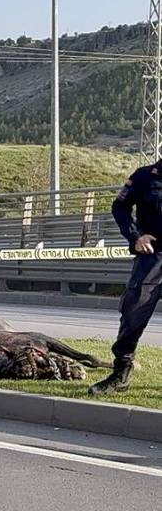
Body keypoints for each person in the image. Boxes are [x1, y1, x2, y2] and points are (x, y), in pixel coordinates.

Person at [91, 162, 162, 394]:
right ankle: (121, 373)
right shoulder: (144, 176)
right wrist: (136, 237)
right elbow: (120, 207)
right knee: (133, 313)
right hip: (152, 257)